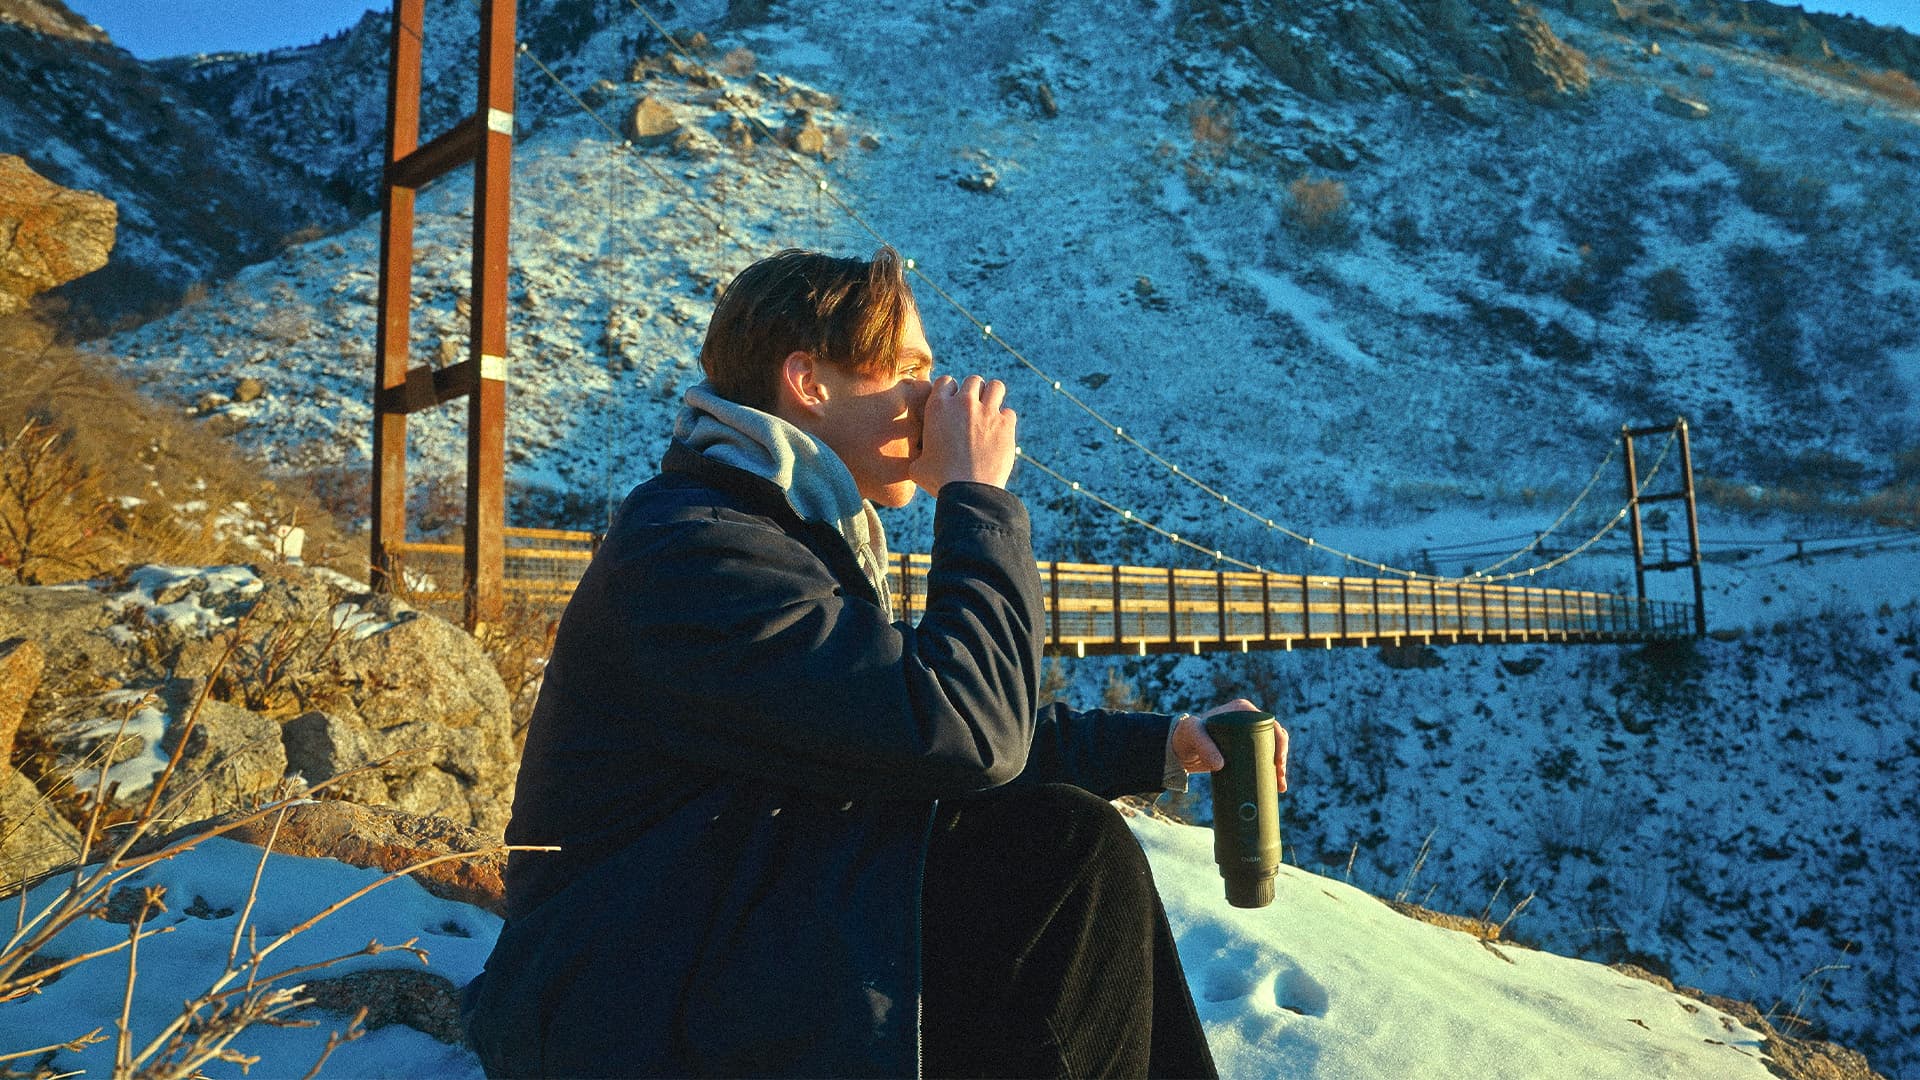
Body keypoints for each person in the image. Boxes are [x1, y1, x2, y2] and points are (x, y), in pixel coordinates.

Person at [460, 246, 1290, 1078]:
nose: (935, 397)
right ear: (809, 383)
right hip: (620, 998)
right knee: (1062, 855)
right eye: (908, 368)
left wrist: (1162, 742)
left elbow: (902, 725)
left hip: (715, 929)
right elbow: (963, 735)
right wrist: (978, 499)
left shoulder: (779, 531)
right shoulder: (698, 549)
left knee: (1049, 849)